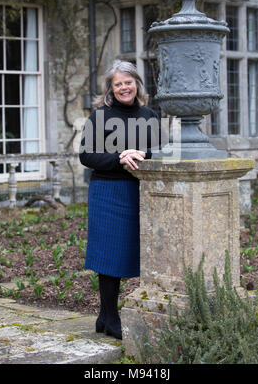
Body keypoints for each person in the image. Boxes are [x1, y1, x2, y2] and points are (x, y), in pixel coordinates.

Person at [79, 60, 161, 340]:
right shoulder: (99, 117)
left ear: (137, 84)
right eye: (118, 84)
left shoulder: (150, 115)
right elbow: (86, 156)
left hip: (138, 191)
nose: (124, 87)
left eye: (128, 82)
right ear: (111, 89)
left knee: (130, 251)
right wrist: (119, 156)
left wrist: (140, 153)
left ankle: (103, 317)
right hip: (107, 191)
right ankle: (111, 316)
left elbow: (159, 150)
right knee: (108, 254)